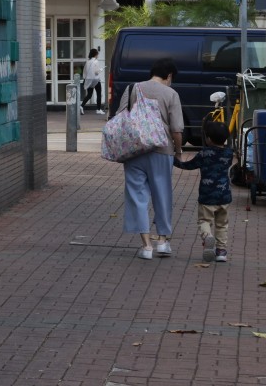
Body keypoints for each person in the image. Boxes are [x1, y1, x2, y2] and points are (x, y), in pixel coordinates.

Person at [116, 57, 184, 259]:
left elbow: (120, 116)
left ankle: (146, 246)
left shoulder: (132, 89)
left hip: (135, 151)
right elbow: (177, 129)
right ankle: (162, 242)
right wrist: (178, 151)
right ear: (169, 75)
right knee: (162, 193)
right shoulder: (171, 94)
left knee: (137, 195)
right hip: (161, 150)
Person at [173, 120, 233, 262]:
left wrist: (173, 160)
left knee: (204, 220)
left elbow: (189, 166)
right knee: (222, 224)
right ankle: (221, 251)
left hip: (207, 196)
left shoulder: (204, 153)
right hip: (224, 196)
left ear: (208, 139)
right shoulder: (229, 154)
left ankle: (208, 237)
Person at [80, 48, 105, 115]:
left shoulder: (88, 62)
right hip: (96, 80)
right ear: (96, 54)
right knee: (99, 94)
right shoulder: (96, 61)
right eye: (97, 54)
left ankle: (81, 106)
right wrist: (101, 69)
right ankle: (98, 109)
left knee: (89, 95)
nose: (98, 55)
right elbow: (96, 72)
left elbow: (85, 72)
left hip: (89, 80)